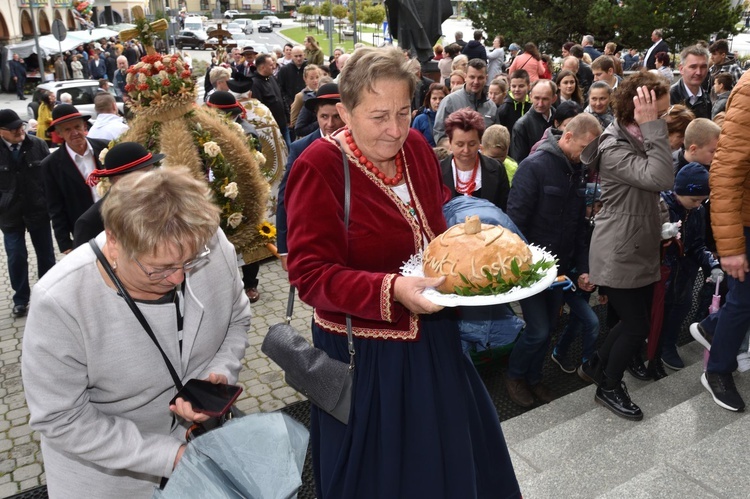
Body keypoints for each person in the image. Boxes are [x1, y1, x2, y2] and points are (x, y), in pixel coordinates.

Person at [285, 46, 520, 499]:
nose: (395, 129)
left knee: (450, 459)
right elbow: (309, 274)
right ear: (345, 111)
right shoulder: (319, 167)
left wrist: (478, 254)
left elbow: (431, 227)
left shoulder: (415, 146)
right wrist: (392, 289)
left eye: (404, 111)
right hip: (366, 358)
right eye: (378, 117)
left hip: (433, 339)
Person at [22, 167, 250, 497]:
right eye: (160, 269)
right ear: (114, 242)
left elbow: (237, 319)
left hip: (203, 449)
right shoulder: (60, 301)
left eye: (189, 261)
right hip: (111, 481)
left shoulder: (208, 242)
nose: (179, 279)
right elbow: (61, 418)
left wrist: (219, 371)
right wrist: (169, 456)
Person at [578, 71, 674, 421]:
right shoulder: (615, 146)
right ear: (638, 111)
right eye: (657, 114)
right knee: (636, 326)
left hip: (637, 244)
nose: (661, 121)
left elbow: (651, 191)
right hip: (619, 251)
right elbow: (661, 177)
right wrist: (653, 129)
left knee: (636, 320)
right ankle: (609, 386)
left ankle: (597, 364)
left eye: (662, 115)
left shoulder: (633, 137)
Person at [504, 113, 602, 405]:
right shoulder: (533, 167)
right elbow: (514, 224)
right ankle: (515, 375)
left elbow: (580, 227)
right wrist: (523, 270)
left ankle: (533, 378)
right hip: (531, 269)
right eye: (587, 148)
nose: (589, 156)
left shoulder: (577, 170)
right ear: (568, 137)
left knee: (547, 331)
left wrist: (583, 268)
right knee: (538, 330)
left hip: (559, 269)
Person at [691, 69, 750, 412]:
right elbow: (725, 171)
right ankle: (717, 370)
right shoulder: (747, 92)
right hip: (743, 220)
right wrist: (730, 249)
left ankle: (713, 327)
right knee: (743, 298)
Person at [656, 163, 721, 375]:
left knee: (681, 307)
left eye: (702, 200)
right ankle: (652, 347)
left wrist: (712, 265)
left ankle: (668, 344)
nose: (698, 204)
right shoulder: (661, 205)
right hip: (661, 272)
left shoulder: (698, 211)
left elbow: (698, 245)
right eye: (694, 200)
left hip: (685, 273)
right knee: (657, 312)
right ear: (679, 191)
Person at [276, 82, 344, 272]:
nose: (330, 124)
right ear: (316, 116)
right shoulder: (300, 148)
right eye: (324, 117)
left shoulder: (358, 144)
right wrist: (284, 249)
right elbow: (285, 198)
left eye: (336, 117)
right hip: (316, 238)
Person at [0, 110, 56, 318]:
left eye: (20, 126)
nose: (19, 130)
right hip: (9, 215)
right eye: (13, 128)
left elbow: (50, 176)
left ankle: (49, 295)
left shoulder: (37, 145)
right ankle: (21, 299)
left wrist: (49, 201)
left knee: (46, 254)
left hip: (38, 209)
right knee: (16, 256)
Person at [41, 105, 108, 254]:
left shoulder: (105, 147)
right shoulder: (51, 165)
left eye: (77, 126)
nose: (75, 133)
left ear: (84, 126)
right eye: (67, 129)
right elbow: (55, 205)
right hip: (84, 228)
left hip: (115, 219)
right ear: (59, 134)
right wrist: (64, 242)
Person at [73, 142, 163, 248]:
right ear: (119, 180)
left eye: (152, 171)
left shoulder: (157, 203)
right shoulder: (90, 222)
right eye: (144, 174)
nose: (152, 178)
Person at [440, 108, 511, 211]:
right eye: (460, 144)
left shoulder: (496, 169)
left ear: (479, 143)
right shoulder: (437, 171)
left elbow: (504, 209)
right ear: (450, 143)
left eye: (472, 144)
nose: (466, 150)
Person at [433, 58, 495, 146]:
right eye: (472, 77)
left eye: (480, 78)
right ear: (465, 77)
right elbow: (439, 134)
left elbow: (495, 137)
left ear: (486, 78)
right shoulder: (449, 101)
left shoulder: (491, 106)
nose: (476, 82)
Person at [510, 79, 557, 162]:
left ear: (554, 98)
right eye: (537, 98)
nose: (540, 103)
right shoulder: (522, 125)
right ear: (531, 96)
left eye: (545, 99)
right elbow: (520, 161)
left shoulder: (560, 118)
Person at [251, 53, 291, 148]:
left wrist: (288, 117)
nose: (273, 67)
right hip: (271, 128)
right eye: (270, 65)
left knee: (289, 149)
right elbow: (258, 108)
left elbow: (281, 97)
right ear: (262, 67)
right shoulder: (255, 84)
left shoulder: (272, 78)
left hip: (283, 124)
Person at [670, 45, 712, 119]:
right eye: (693, 67)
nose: (698, 72)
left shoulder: (707, 99)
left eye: (703, 67)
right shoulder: (669, 97)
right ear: (681, 69)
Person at [497, 69, 532, 139]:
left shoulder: (533, 106)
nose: (517, 89)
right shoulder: (504, 109)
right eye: (514, 86)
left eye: (521, 86)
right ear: (509, 87)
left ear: (528, 87)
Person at [412, 82, 449, 147]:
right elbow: (413, 144)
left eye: (441, 98)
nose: (438, 102)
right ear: (429, 100)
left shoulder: (451, 118)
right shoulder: (420, 120)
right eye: (434, 98)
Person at [290, 64, 320, 131]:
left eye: (317, 77)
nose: (315, 80)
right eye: (311, 78)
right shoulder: (300, 96)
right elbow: (294, 120)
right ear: (305, 79)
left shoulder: (321, 92)